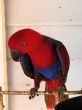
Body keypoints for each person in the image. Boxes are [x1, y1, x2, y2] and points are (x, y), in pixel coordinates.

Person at [8, 28, 70, 109]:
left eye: (22, 44)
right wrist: (35, 87)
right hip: (42, 76)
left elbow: (64, 70)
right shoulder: (26, 55)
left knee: (64, 103)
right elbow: (36, 72)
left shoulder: (57, 46)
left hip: (59, 79)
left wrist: (61, 84)